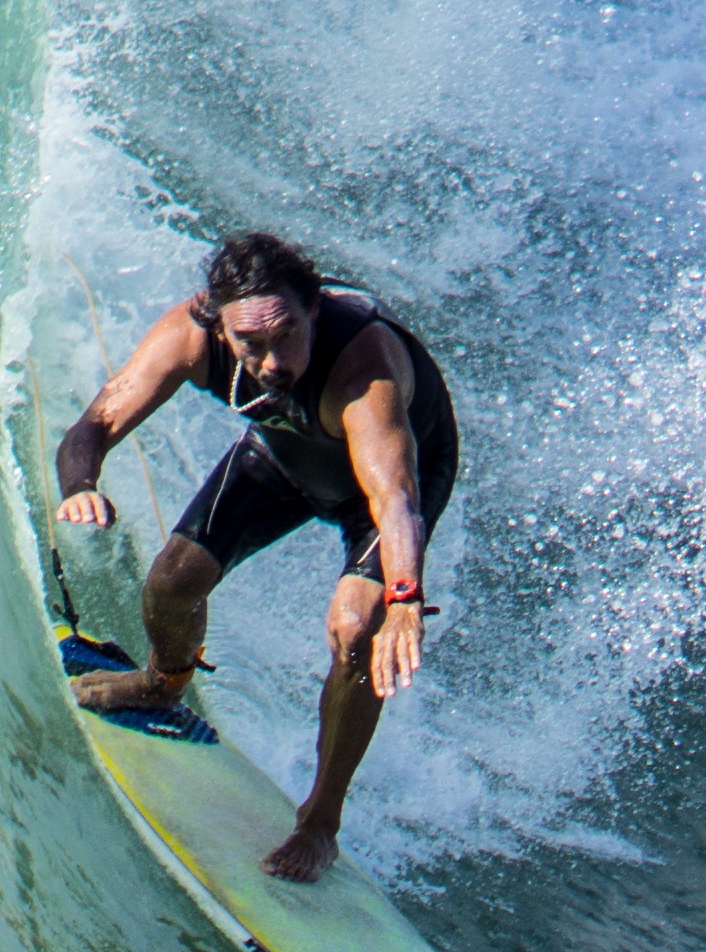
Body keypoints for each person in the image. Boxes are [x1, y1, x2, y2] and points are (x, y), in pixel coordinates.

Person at [50, 230, 459, 883]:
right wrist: (80, 487)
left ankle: (321, 821)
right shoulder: (192, 337)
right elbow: (93, 426)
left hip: (386, 491)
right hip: (288, 454)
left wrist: (404, 595)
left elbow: (396, 501)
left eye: (287, 335)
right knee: (172, 582)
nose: (270, 362)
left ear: (314, 311)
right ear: (220, 326)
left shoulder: (364, 372)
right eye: (251, 345)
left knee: (356, 627)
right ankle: (163, 683)